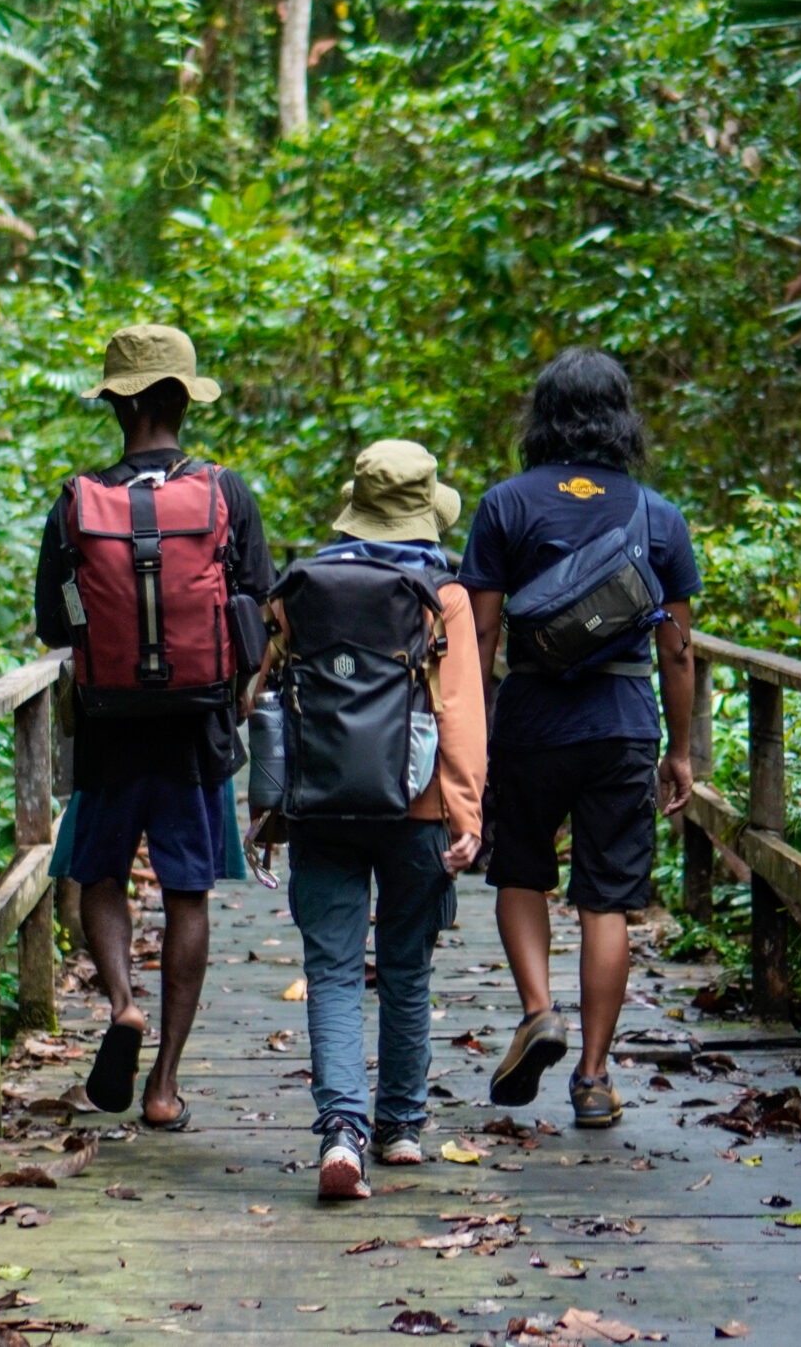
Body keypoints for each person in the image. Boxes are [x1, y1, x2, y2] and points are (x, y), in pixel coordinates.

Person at [34, 324, 273, 1130]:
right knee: (187, 890)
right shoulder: (225, 493)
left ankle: (124, 1005)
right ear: (180, 400)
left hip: (107, 725)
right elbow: (257, 608)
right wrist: (238, 693)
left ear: (119, 405)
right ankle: (165, 1083)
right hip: (196, 729)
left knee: (96, 874)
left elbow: (55, 619)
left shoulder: (76, 501)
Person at [458, 349, 700, 1130]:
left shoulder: (505, 505)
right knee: (608, 899)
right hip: (622, 722)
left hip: (530, 717)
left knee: (521, 870)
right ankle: (594, 1078)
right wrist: (682, 750)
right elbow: (678, 648)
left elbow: (482, 631)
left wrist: (473, 735)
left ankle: (538, 1010)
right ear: (623, 418)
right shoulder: (658, 516)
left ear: (543, 417)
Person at [254, 441, 486, 1201]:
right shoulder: (441, 594)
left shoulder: (301, 588)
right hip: (415, 804)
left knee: (330, 968)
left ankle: (342, 1133)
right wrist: (466, 809)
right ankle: (402, 1126)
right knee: (408, 966)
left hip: (321, 803)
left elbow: (265, 701)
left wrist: (268, 805)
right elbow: (460, 716)